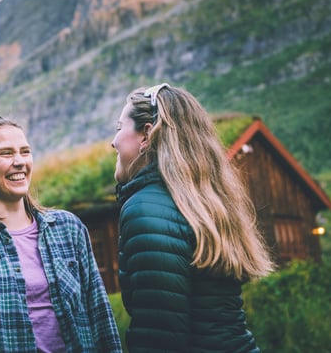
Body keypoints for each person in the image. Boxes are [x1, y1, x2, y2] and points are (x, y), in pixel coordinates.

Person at [0, 114, 122, 353]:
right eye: (6, 153)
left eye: (25, 151)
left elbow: (100, 318)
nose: (19, 161)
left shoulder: (68, 229)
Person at [112, 83, 275, 352]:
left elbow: (160, 339)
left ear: (146, 136)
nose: (113, 141)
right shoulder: (205, 202)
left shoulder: (145, 209)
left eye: (119, 128)